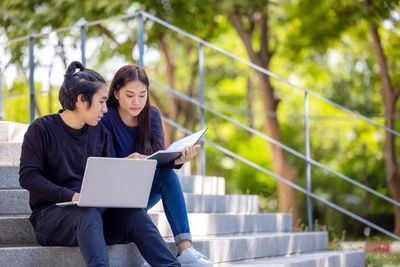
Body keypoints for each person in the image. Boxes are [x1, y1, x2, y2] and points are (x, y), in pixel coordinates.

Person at [19, 61, 180, 267]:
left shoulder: (100, 132)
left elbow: (108, 178)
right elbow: (28, 177)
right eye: (101, 102)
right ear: (81, 100)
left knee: (133, 214)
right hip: (52, 218)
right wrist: (73, 197)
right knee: (87, 212)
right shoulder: (41, 129)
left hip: (95, 217)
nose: (105, 109)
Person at [101, 64, 213, 266]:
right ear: (116, 93)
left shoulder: (151, 115)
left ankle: (185, 249)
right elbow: (103, 167)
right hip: (115, 196)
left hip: (141, 191)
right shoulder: (106, 118)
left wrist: (178, 160)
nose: (137, 102)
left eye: (142, 95)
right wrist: (127, 162)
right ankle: (149, 246)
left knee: (168, 175)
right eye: (130, 95)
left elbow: (160, 158)